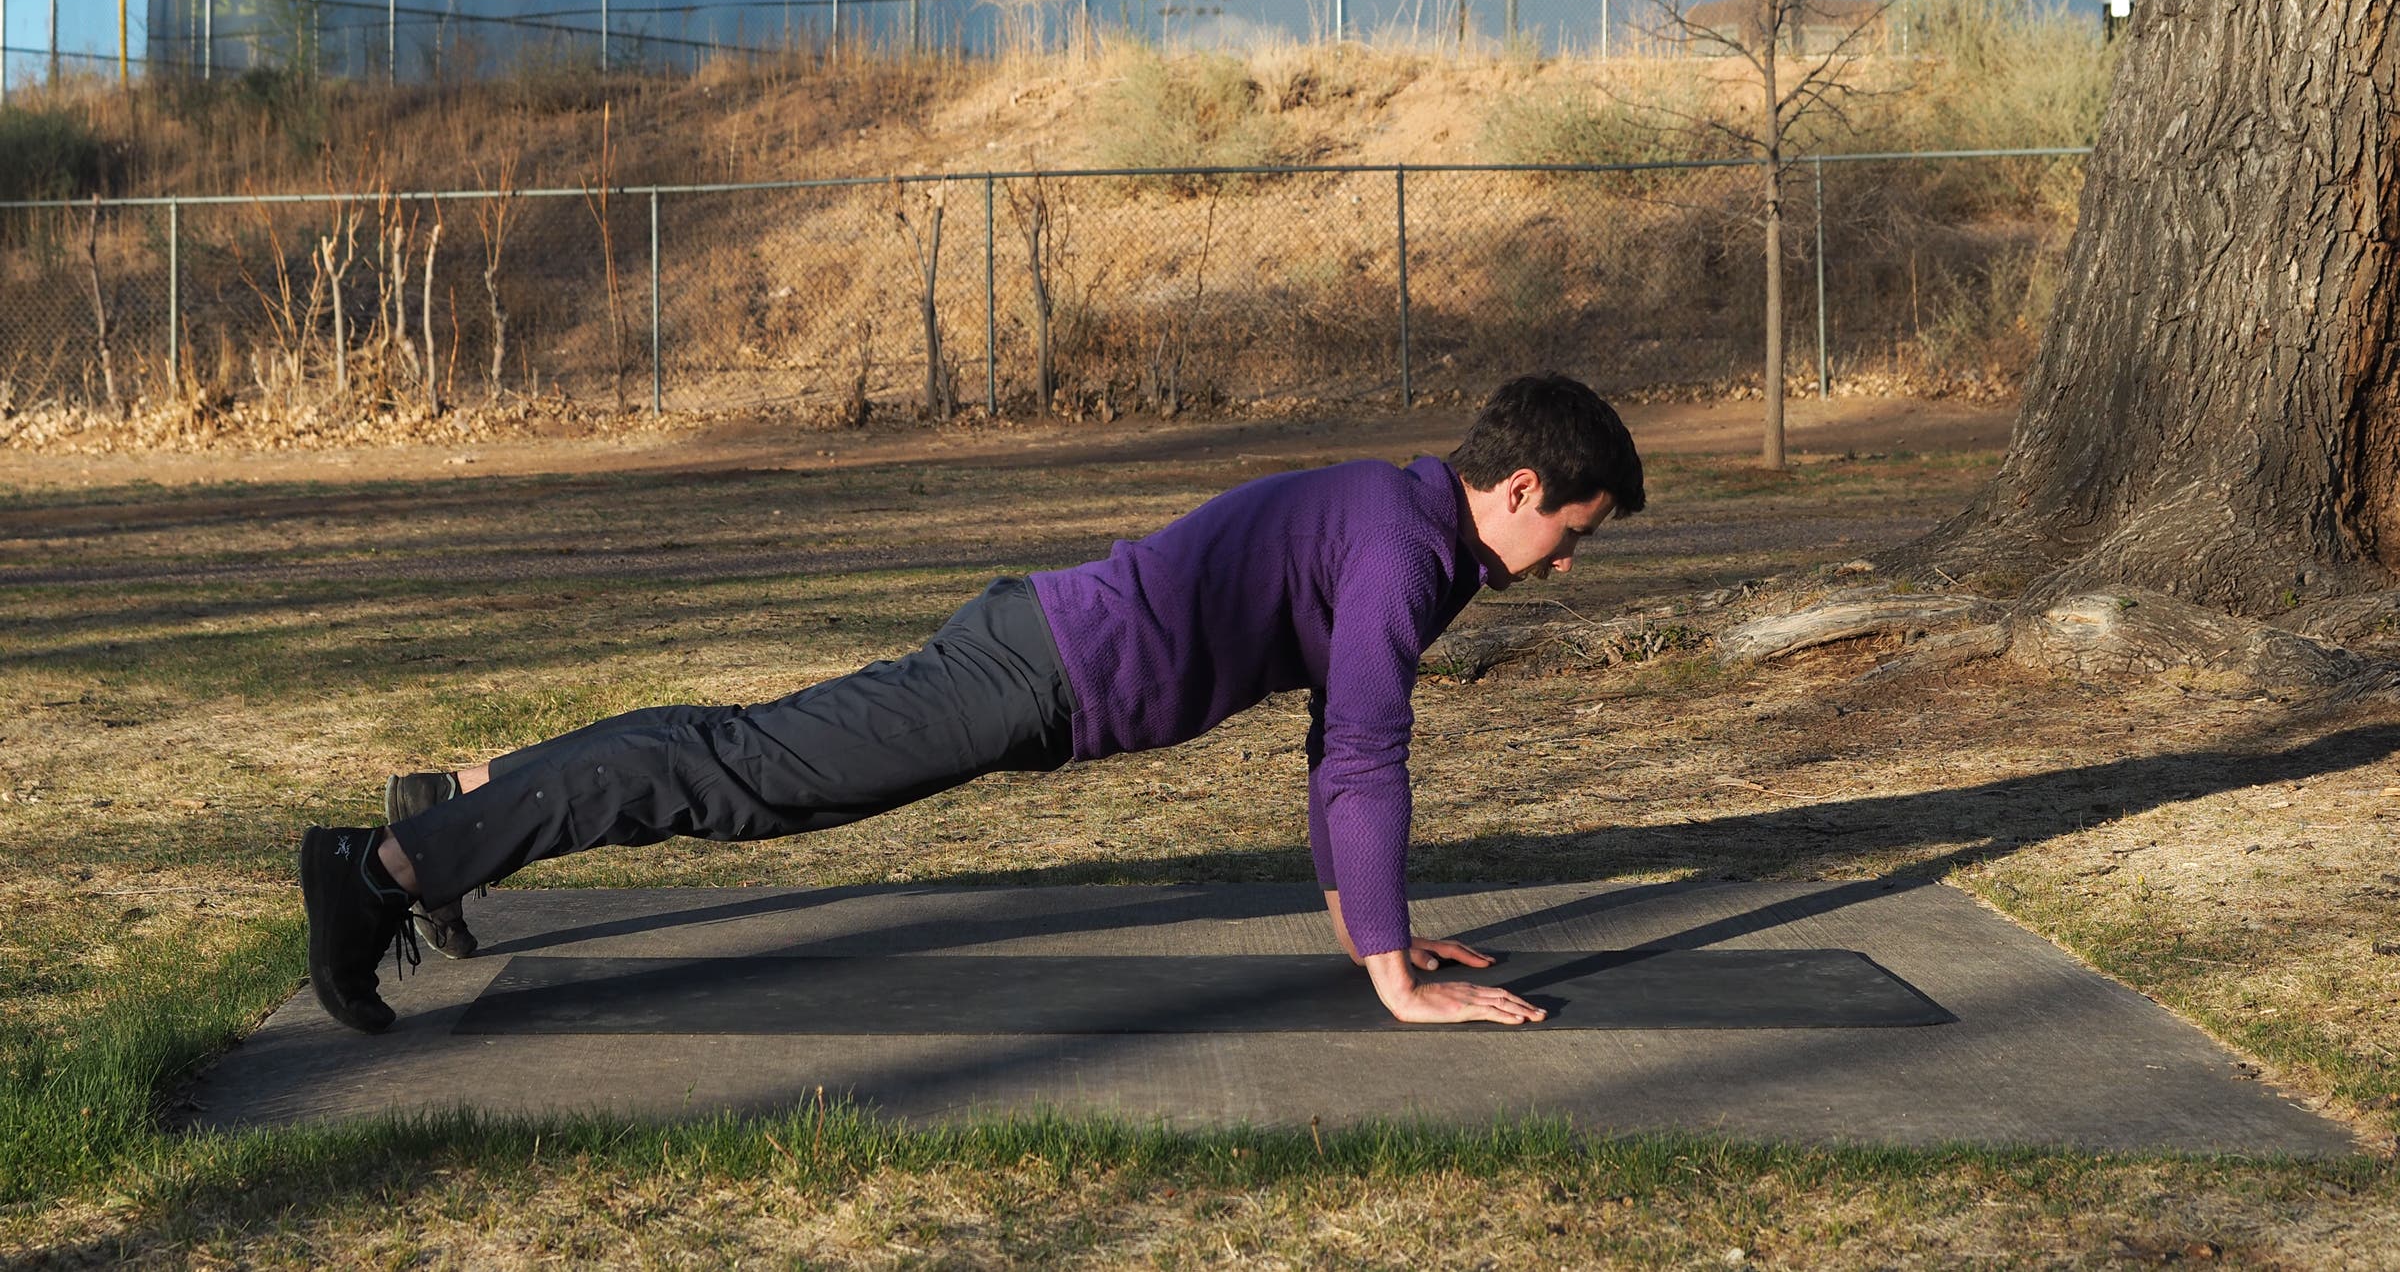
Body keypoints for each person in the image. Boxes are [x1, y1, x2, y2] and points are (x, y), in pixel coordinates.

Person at [300, 373, 1645, 1033]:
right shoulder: (1410, 547)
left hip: (1041, 658)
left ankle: (445, 811)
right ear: (1520, 486)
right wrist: (1394, 979)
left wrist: (1375, 923)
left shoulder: (1411, 522)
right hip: (1031, 673)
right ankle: (375, 867)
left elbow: (1335, 738)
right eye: (1574, 529)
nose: (1570, 561)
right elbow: (1360, 755)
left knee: (734, 761)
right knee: (735, 774)